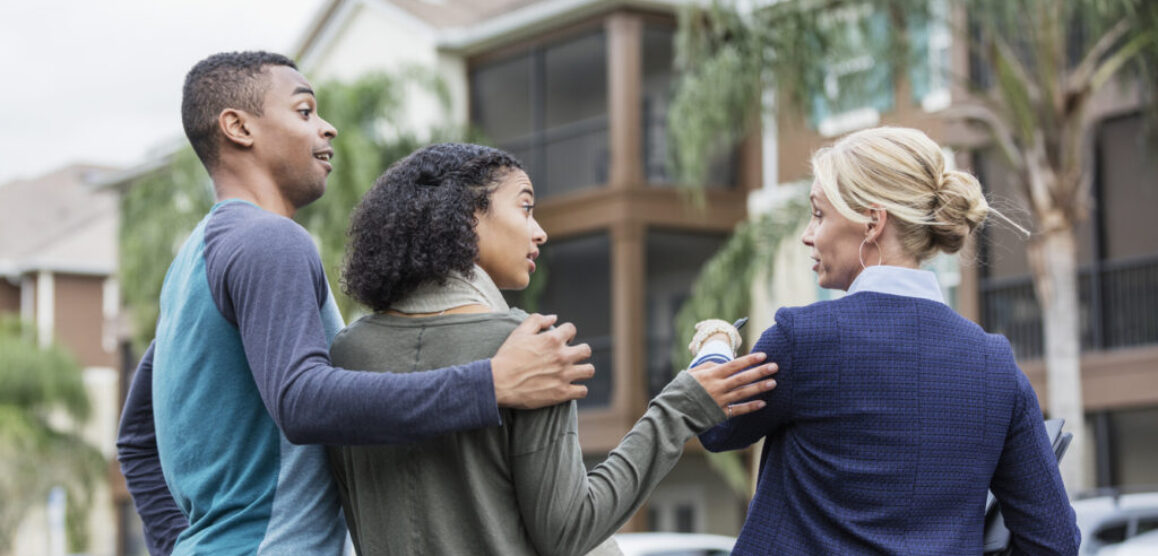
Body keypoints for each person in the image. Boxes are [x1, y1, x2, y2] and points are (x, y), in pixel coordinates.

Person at [115, 51, 598, 555]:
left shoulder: (192, 261)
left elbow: (135, 436)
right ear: (238, 127)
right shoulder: (270, 241)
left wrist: (177, 546)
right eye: (304, 112)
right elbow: (301, 400)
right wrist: (491, 382)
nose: (328, 129)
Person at [325, 142, 779, 555]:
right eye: (525, 208)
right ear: (467, 216)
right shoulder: (527, 348)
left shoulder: (346, 352)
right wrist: (679, 410)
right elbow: (568, 531)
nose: (539, 232)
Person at [691, 126, 1081, 554]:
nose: (807, 234)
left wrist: (714, 343)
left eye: (819, 214)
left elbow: (712, 424)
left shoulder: (803, 340)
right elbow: (1055, 541)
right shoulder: (994, 365)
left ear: (873, 222)